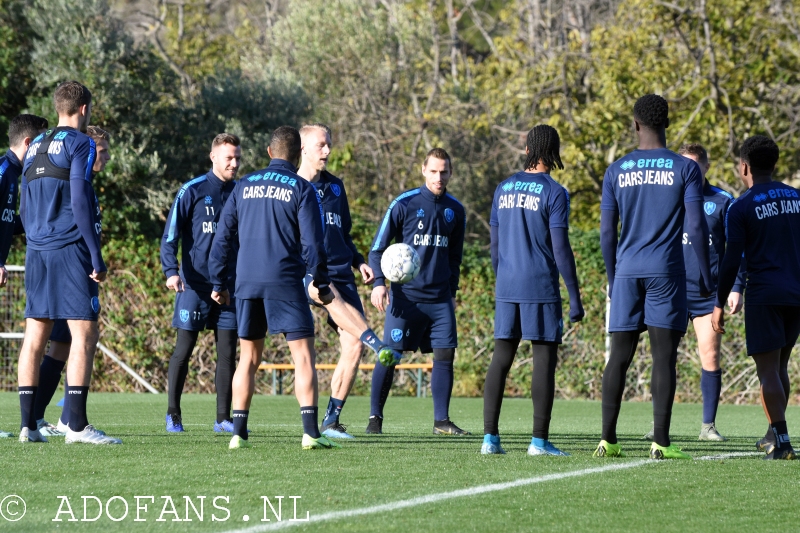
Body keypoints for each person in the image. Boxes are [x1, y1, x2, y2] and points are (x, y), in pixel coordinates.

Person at [596, 94, 713, 460]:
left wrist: (614, 277)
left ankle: (608, 440)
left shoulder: (616, 170)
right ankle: (660, 441)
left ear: (635, 124)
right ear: (668, 123)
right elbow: (695, 224)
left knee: (618, 356)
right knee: (664, 358)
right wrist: (706, 276)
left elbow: (606, 233)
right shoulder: (685, 168)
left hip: (628, 272)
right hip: (666, 272)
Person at [208, 125, 339, 450]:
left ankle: (238, 432)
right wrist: (321, 283)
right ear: (297, 156)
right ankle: (310, 432)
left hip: (247, 283)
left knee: (248, 359)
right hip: (285, 281)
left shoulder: (243, 185)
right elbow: (313, 244)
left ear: (269, 152)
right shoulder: (301, 187)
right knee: (303, 357)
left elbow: (223, 237)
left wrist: (217, 281)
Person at [18, 80, 120, 444]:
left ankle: (28, 426)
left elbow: (25, 203)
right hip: (69, 248)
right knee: (84, 333)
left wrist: (35, 239)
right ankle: (75, 425)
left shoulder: (33, 147)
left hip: (37, 249)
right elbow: (79, 198)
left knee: (35, 335)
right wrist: (95, 255)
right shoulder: (80, 143)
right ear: (84, 110)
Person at [482, 125, 584, 456]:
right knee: (543, 360)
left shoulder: (503, 188)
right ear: (553, 153)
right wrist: (574, 295)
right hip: (539, 285)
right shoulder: (555, 192)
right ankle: (539, 441)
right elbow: (561, 249)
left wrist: (504, 279)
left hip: (507, 285)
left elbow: (494, 246)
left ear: (527, 149)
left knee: (501, 359)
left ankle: (489, 440)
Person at [296, 123, 398, 440]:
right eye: (321, 145)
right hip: (310, 270)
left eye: (329, 145)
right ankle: (376, 341)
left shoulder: (336, 188)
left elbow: (344, 234)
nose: (327, 151)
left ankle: (331, 420)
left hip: (343, 271)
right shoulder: (291, 188)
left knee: (351, 346)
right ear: (303, 149)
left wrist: (359, 261)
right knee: (325, 292)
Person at [642, 143, 745, 442]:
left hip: (707, 293)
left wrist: (736, 286)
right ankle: (658, 425)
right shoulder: (665, 198)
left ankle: (707, 426)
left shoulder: (723, 201)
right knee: (663, 359)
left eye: (693, 167)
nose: (686, 172)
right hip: (669, 289)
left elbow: (737, 250)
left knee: (710, 355)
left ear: (705, 168)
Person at [367, 148, 467, 435]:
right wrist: (378, 284)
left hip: (439, 300)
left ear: (450, 173)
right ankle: (375, 419)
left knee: (445, 354)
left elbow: (454, 259)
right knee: (390, 356)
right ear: (424, 170)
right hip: (405, 299)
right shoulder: (404, 203)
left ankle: (441, 422)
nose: (439, 177)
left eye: (444, 171)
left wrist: (452, 293)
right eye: (433, 171)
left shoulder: (456, 210)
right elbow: (377, 250)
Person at [712, 135, 799, 460]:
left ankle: (783, 442)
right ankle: (771, 434)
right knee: (780, 367)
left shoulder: (742, 206)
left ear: (745, 166)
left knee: (767, 372)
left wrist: (719, 303)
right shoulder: (797, 198)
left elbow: (732, 260)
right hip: (795, 294)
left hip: (765, 294)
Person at [28, 125, 111, 437]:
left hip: (64, 262)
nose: (104, 156)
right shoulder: (75, 180)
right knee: (78, 337)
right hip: (70, 262)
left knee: (62, 343)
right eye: (101, 150)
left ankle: (41, 418)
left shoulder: (85, 184)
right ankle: (70, 421)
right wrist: (94, 257)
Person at [160, 133, 241, 433]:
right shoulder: (191, 190)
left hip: (228, 288)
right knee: (184, 350)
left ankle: (223, 419)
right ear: (213, 157)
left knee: (228, 354)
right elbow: (170, 237)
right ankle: (173, 414)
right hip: (194, 286)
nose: (234, 163)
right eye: (229, 157)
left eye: (237, 158)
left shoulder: (241, 192)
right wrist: (171, 271)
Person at [0, 114, 49, 439]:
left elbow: (7, 220)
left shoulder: (17, 173)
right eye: (42, 144)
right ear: (29, 144)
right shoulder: (4, 171)